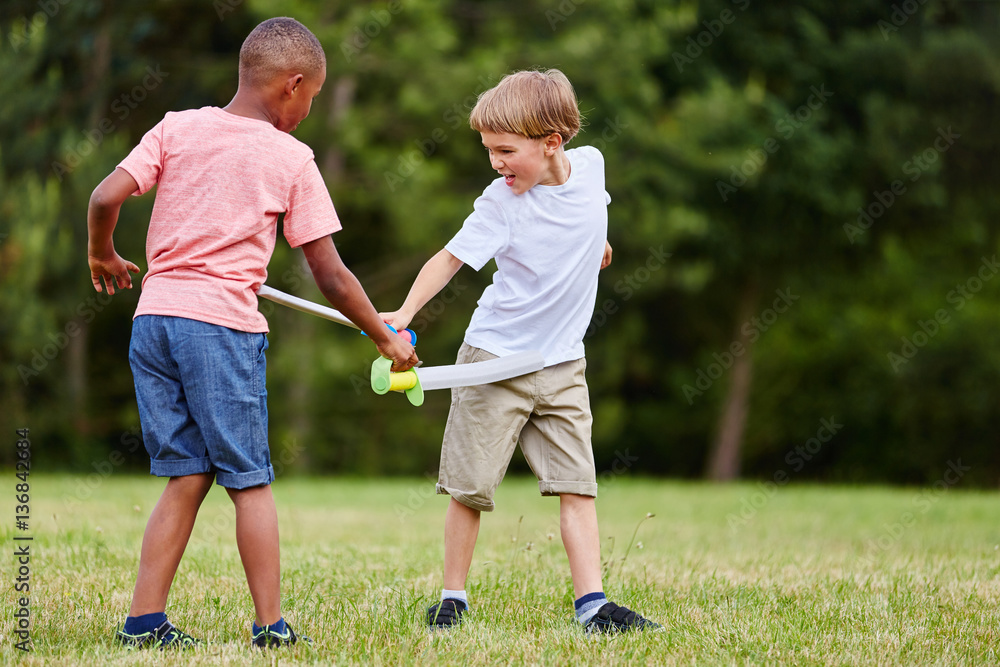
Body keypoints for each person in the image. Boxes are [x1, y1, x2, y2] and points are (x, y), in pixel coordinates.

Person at [87, 17, 418, 650]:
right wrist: (383, 335)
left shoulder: (176, 126)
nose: (310, 111)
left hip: (154, 320)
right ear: (292, 85)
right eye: (313, 98)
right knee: (250, 477)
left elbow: (105, 196)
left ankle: (144, 621)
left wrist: (103, 253)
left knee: (185, 474)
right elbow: (330, 271)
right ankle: (271, 627)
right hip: (219, 327)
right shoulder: (290, 157)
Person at [381, 69, 660, 634]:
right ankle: (452, 598)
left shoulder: (593, 167)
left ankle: (593, 606)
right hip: (495, 359)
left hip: (562, 362)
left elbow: (590, 211)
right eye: (489, 151)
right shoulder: (500, 203)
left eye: (506, 151)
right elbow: (450, 259)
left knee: (578, 484)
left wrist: (596, 245)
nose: (496, 164)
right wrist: (404, 314)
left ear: (552, 143)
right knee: (470, 485)